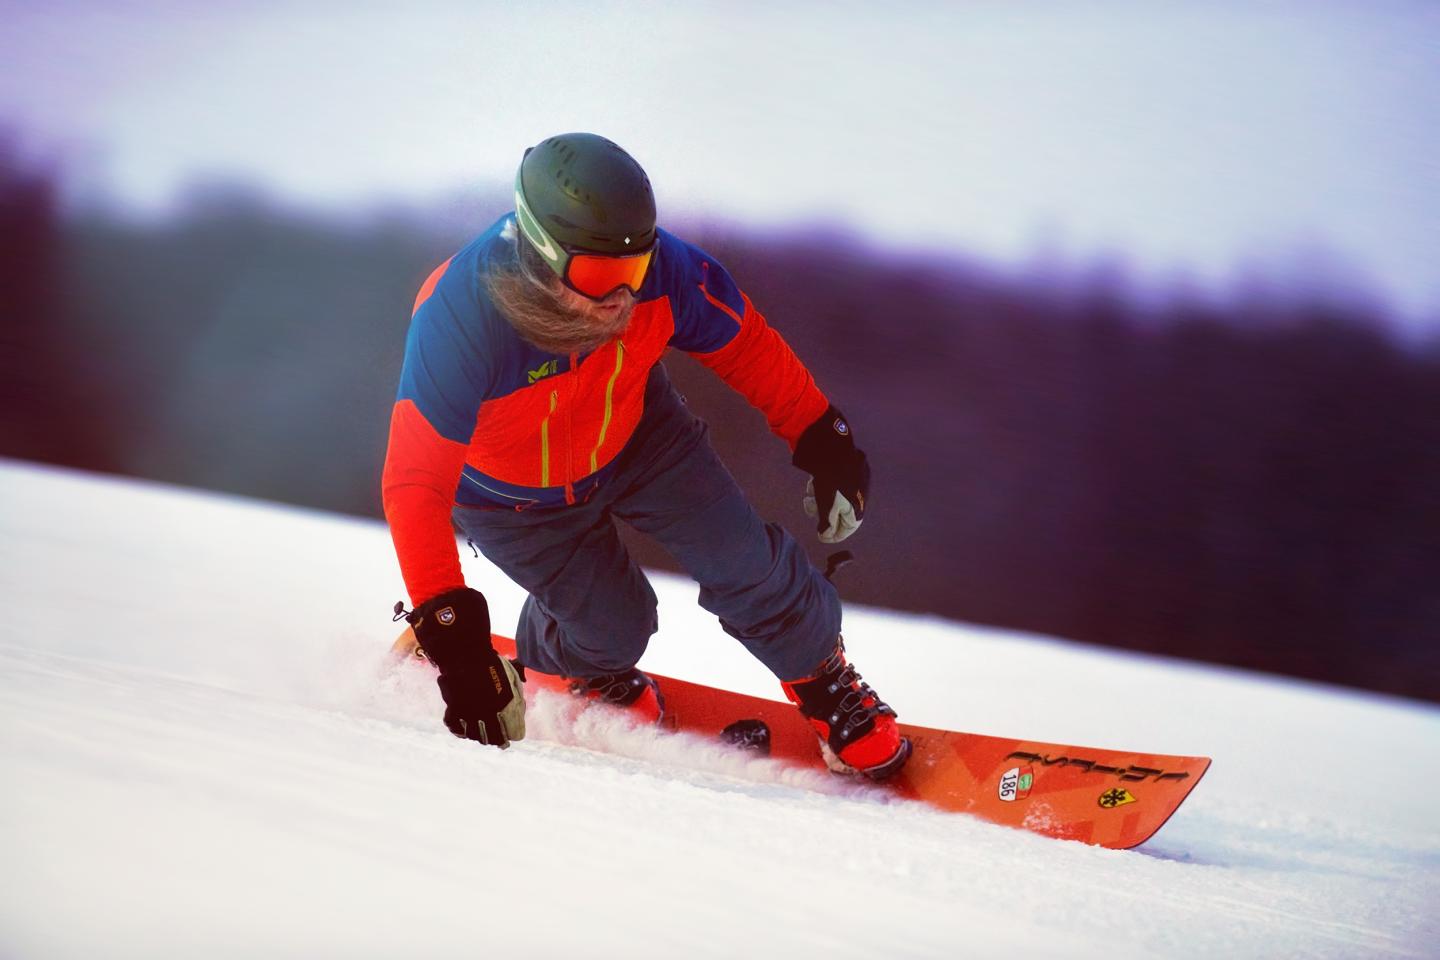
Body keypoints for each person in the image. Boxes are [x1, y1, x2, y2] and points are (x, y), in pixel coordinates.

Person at [382, 133, 910, 779]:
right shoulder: (461, 316)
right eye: (600, 276)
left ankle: (825, 681)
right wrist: (453, 634)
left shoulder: (666, 272)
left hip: (641, 440)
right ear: (541, 253)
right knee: (614, 628)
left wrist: (821, 437)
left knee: (745, 561)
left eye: (631, 271)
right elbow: (414, 484)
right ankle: (580, 664)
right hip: (510, 496)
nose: (620, 298)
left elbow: (746, 346)